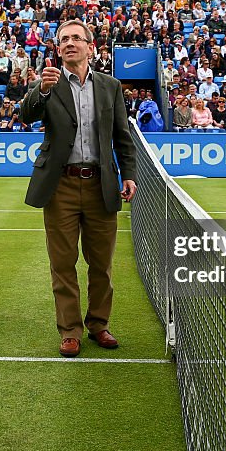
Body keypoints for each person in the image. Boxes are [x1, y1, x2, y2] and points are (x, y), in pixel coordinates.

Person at [21, 19, 137, 358]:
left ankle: (99, 325)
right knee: (63, 263)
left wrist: (128, 174)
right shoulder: (49, 82)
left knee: (101, 264)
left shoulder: (110, 85)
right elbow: (26, 115)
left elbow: (122, 137)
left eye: (76, 38)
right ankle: (69, 330)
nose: (70, 43)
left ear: (90, 46)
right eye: (63, 40)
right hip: (60, 186)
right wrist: (41, 90)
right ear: (58, 49)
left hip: (101, 183)